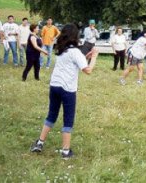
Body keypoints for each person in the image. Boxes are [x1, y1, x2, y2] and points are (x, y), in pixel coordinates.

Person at [30, 24, 98, 159]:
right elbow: (88, 70)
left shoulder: (62, 50)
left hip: (54, 86)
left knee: (52, 115)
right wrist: (94, 56)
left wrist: (88, 56)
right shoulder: (75, 52)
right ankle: (65, 151)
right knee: (68, 119)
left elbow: (77, 62)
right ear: (75, 36)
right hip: (67, 89)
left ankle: (39, 143)